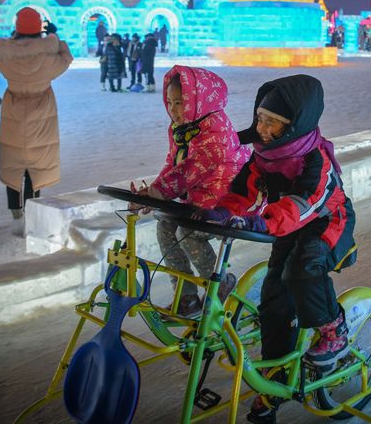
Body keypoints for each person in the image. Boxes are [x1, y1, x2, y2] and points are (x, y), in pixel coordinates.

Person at [197, 75, 356, 423]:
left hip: (327, 221)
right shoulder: (264, 155)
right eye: (260, 118)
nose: (262, 128)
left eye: (272, 122)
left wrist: (263, 222)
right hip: (286, 224)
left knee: (301, 269)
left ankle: (334, 331)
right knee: (273, 298)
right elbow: (245, 191)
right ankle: (275, 377)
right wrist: (223, 212)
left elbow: (304, 203)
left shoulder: (315, 160)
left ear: (295, 124)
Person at [132, 66, 249, 316]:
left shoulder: (216, 130)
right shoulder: (183, 128)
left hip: (224, 205)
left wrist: (158, 192)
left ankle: (221, 282)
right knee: (165, 226)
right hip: (198, 201)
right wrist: (153, 193)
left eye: (180, 103)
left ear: (199, 101)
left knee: (187, 233)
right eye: (170, 102)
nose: (173, 110)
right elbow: (173, 164)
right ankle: (186, 296)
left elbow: (192, 169)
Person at [0, 7, 73, 236]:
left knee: (13, 166)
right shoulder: (48, 58)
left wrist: (13, 41)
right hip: (41, 113)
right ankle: (32, 216)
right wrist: (55, 38)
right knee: (35, 169)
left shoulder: (6, 56)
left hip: (14, 112)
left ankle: (16, 216)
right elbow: (66, 58)